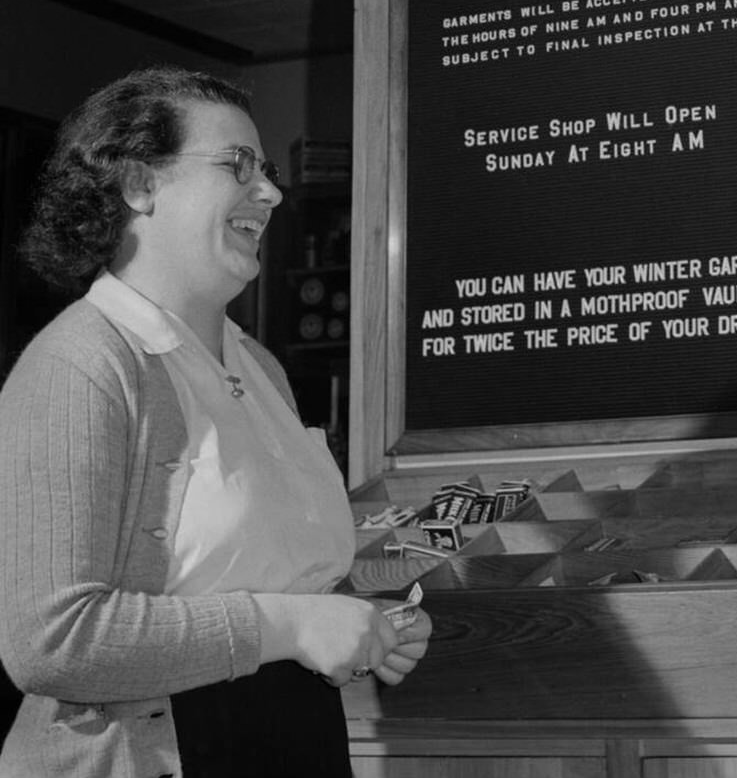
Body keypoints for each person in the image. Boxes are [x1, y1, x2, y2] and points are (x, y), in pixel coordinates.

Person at [0, 67, 431, 778]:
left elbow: (266, 586)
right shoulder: (79, 366)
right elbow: (53, 642)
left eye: (266, 171)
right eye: (238, 165)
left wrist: (360, 623)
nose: (271, 192)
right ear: (139, 185)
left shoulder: (260, 367)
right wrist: (290, 625)